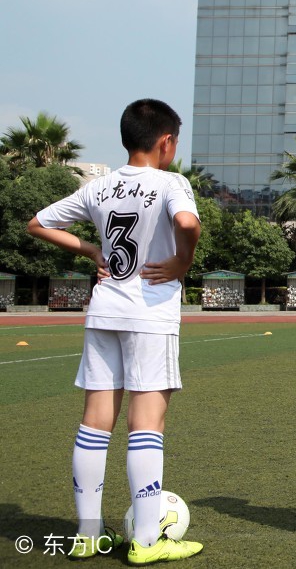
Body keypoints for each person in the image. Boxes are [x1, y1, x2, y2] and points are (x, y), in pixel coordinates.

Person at [26, 99, 204, 564]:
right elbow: (187, 222)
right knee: (146, 424)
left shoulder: (99, 187)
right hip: (150, 316)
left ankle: (87, 534)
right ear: (166, 142)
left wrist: (90, 250)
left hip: (103, 312)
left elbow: (38, 224)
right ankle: (147, 540)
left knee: (95, 421)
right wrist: (183, 261)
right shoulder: (172, 182)